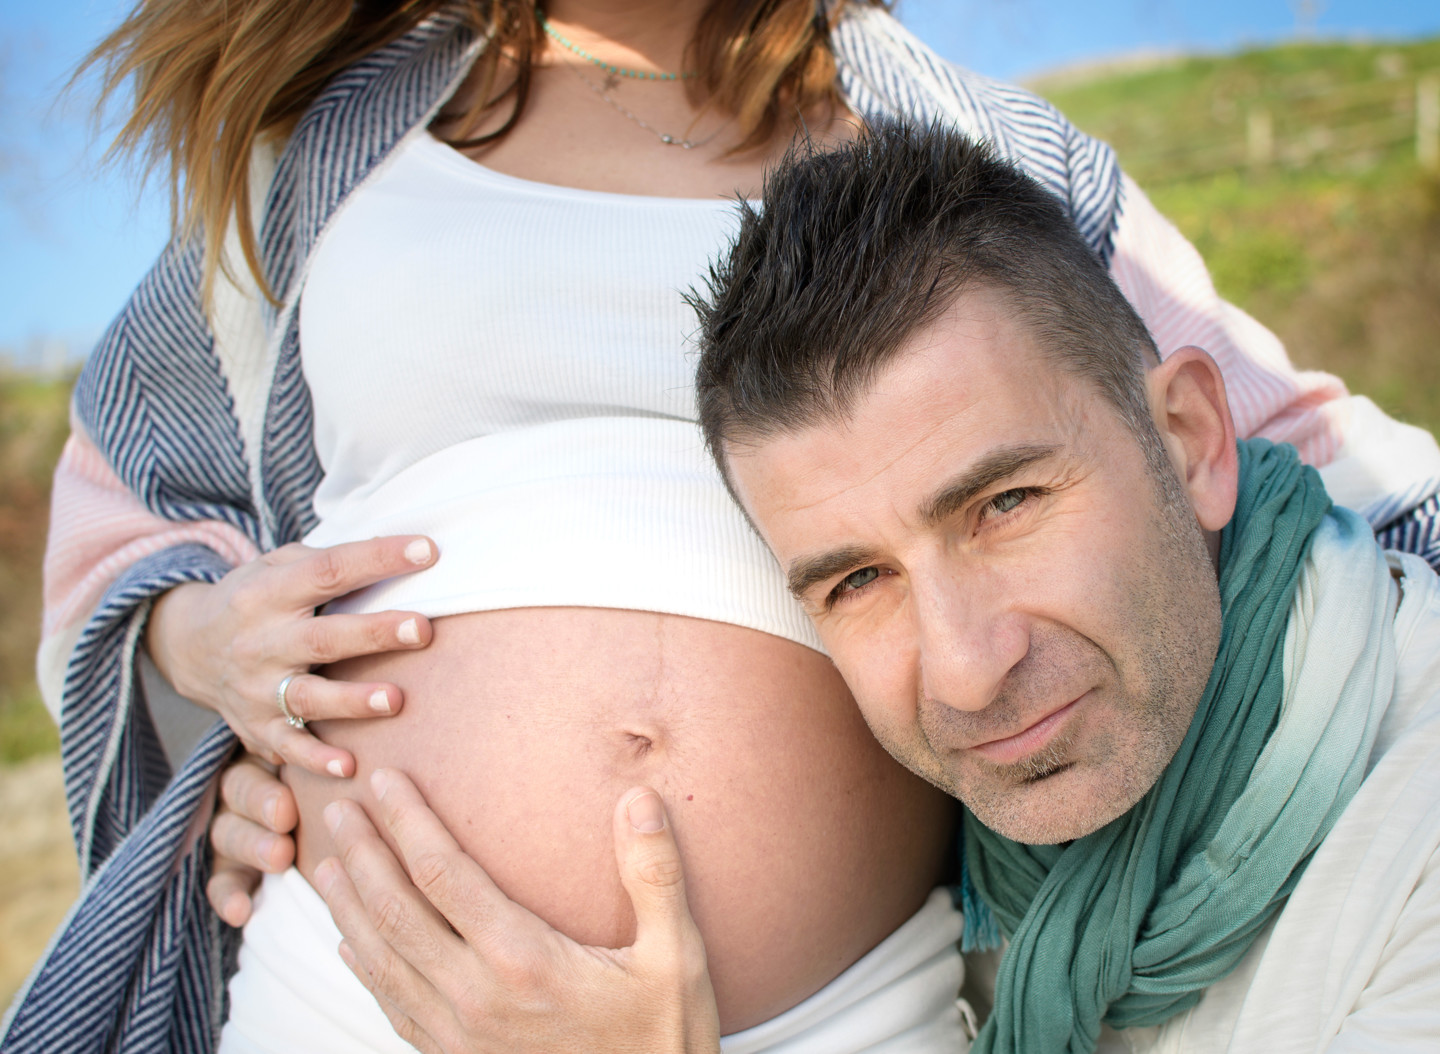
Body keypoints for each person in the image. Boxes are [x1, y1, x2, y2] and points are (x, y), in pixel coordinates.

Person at [7, 0, 1439, 1050]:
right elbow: (128, 507)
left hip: (858, 1000)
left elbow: (1280, 435)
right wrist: (201, 638)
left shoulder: (971, 141)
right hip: (384, 969)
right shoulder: (313, 165)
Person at [310, 122, 1440, 1053]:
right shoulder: (998, 859)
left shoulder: (1411, 839)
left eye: (1006, 505)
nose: (963, 666)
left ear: (1193, 440)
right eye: (857, 580)